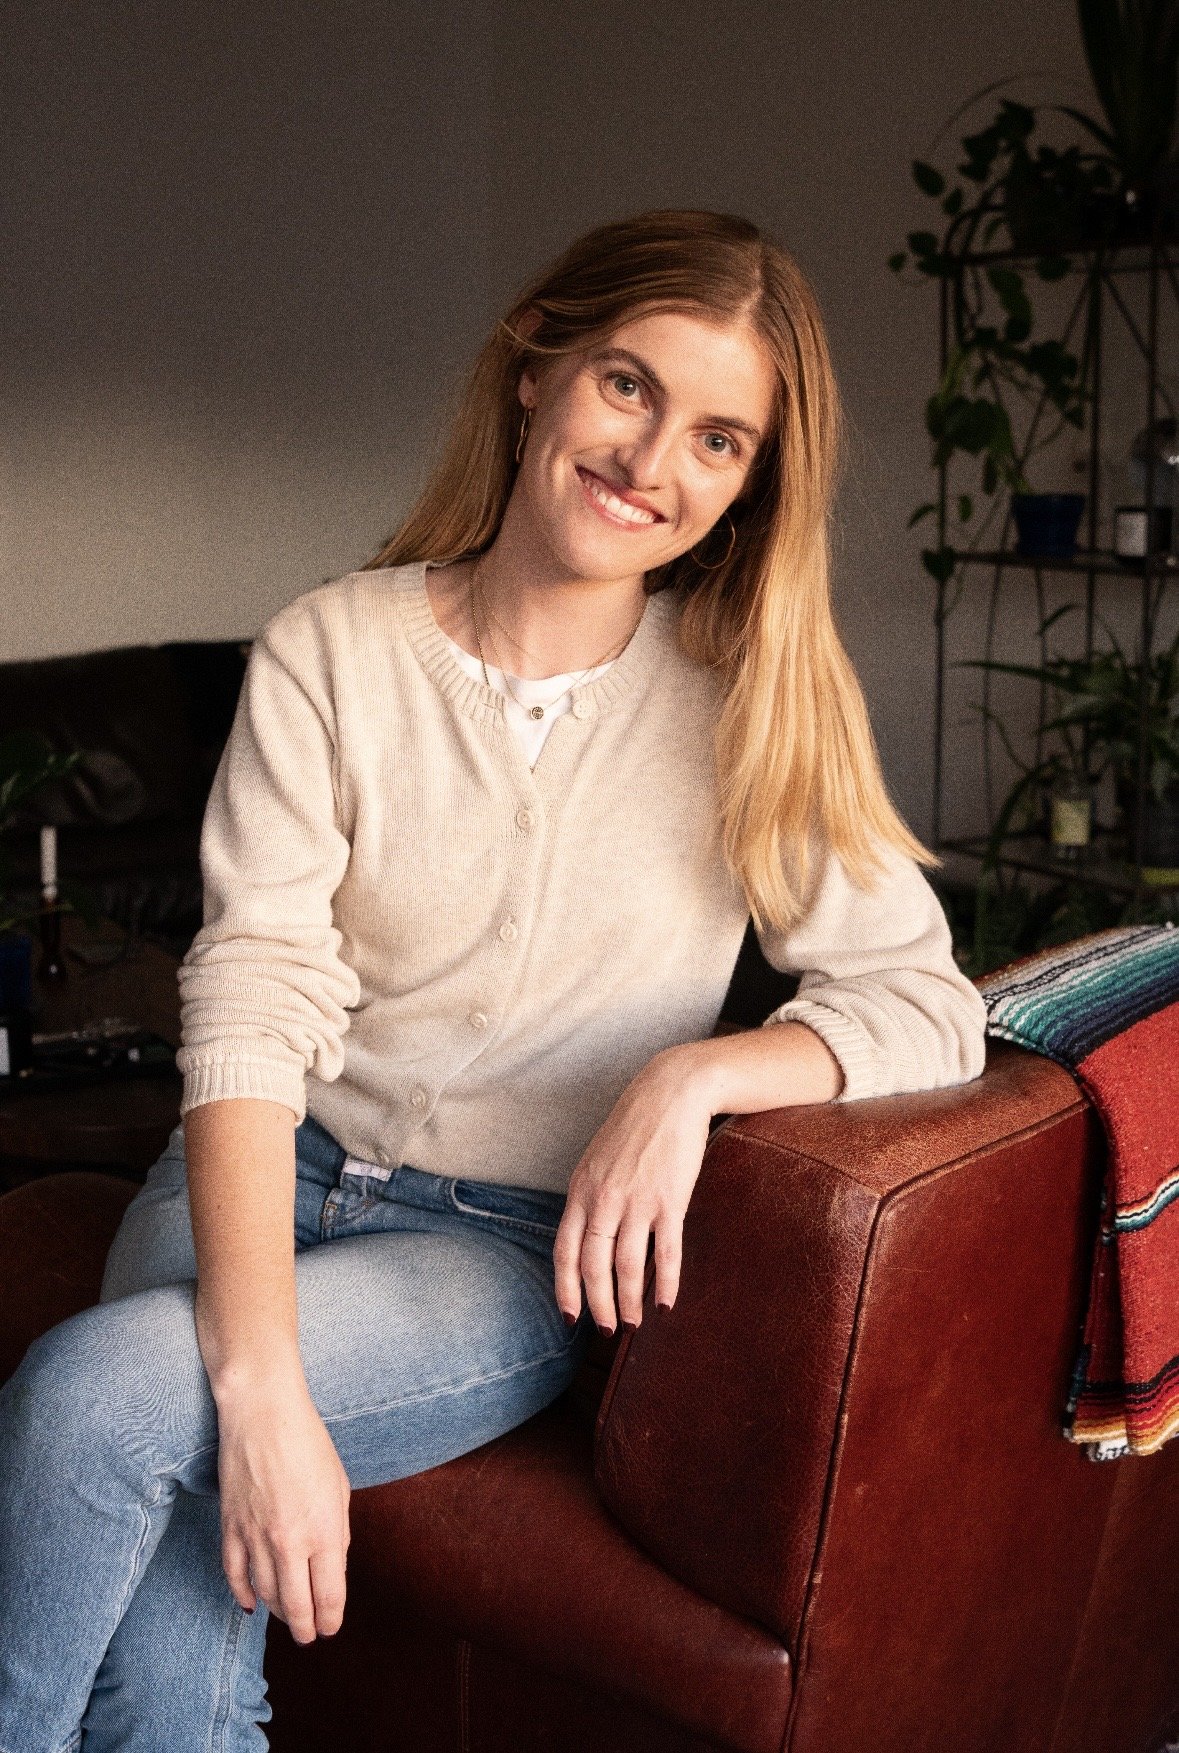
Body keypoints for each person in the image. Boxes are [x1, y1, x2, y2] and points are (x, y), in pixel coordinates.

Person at [0, 207, 988, 1750]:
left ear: (747, 488)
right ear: (538, 369)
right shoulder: (329, 649)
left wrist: (698, 1073)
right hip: (253, 1180)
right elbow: (253, 993)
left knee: (98, 1402)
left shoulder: (748, 701)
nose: (654, 461)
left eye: (720, 439)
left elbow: (926, 1002)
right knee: (175, 1665)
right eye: (628, 385)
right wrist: (264, 1393)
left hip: (488, 1257)